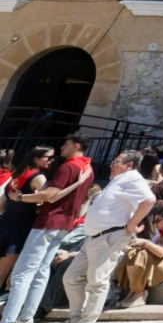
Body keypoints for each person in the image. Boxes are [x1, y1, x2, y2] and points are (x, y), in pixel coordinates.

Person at [1, 133, 94, 323]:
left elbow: (50, 195)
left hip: (48, 222)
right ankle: (27, 317)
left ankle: (9, 319)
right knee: (41, 272)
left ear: (76, 146)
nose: (62, 148)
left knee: (22, 274)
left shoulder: (68, 166)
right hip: (64, 224)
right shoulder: (88, 168)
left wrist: (20, 198)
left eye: (66, 144)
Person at [61, 151, 156, 323]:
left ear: (129, 165)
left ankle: (86, 320)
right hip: (94, 237)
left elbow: (149, 199)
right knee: (71, 277)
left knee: (97, 281)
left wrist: (132, 224)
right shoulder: (118, 180)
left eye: (117, 161)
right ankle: (77, 318)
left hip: (109, 237)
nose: (111, 164)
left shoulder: (132, 178)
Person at [0, 147, 54, 294]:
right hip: (19, 229)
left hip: (5, 223)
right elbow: (47, 197)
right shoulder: (38, 177)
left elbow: (1, 205)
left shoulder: (16, 175)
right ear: (36, 159)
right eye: (48, 157)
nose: (51, 160)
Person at [114, 205, 163, 309]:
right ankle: (134, 290)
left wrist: (144, 242)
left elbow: (162, 252)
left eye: (158, 220)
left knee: (142, 254)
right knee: (134, 253)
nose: (155, 223)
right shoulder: (158, 232)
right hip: (157, 262)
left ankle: (139, 292)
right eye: (154, 220)